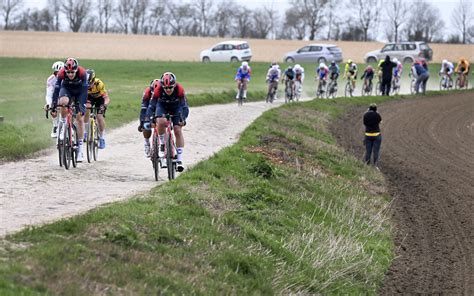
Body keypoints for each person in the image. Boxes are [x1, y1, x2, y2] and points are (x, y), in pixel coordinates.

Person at [145, 72, 189, 172]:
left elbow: (184, 107)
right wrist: (149, 118)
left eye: (170, 87)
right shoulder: (158, 90)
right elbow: (152, 106)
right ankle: (162, 144)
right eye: (166, 88)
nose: (168, 90)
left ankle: (179, 159)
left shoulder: (180, 90)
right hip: (162, 106)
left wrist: (183, 119)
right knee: (161, 121)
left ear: (174, 85)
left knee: (178, 130)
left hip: (176, 107)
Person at [51, 57, 88, 162]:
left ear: (76, 70)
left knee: (80, 118)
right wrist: (54, 105)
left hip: (80, 91)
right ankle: (63, 124)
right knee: (63, 103)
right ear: (65, 70)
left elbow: (85, 91)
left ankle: (80, 149)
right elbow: (56, 90)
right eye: (68, 72)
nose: (70, 74)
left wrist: (81, 105)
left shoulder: (82, 73)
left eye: (72, 72)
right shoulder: (61, 73)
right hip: (67, 89)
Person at [85, 69, 110, 149]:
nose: (88, 85)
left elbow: (106, 97)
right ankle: (85, 131)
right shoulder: (83, 84)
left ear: (93, 80)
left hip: (100, 99)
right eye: (87, 83)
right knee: (87, 108)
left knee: (99, 117)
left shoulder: (99, 84)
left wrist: (105, 105)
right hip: (89, 98)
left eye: (90, 83)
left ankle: (102, 137)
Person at [138, 79, 160, 157]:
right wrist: (142, 123)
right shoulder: (147, 94)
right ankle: (147, 143)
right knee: (146, 125)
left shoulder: (163, 92)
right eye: (153, 92)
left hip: (161, 108)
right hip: (149, 108)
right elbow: (143, 110)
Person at [44, 61, 64, 138]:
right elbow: (49, 94)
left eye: (59, 73)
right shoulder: (50, 79)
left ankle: (67, 127)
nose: (57, 75)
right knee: (53, 109)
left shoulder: (67, 78)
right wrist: (49, 104)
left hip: (65, 96)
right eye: (55, 73)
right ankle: (55, 126)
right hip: (55, 96)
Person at [363, 103, 382, 169]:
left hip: (368, 135)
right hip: (376, 135)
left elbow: (364, 123)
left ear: (369, 108)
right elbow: (380, 122)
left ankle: (367, 165)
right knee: (376, 151)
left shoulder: (365, 115)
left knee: (368, 151)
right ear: (376, 109)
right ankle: (375, 166)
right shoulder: (377, 115)